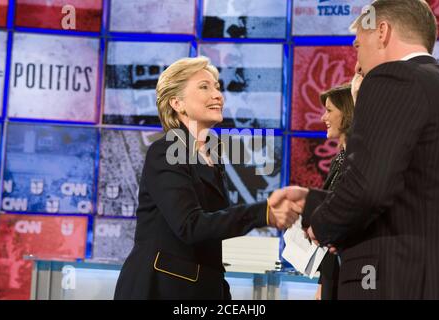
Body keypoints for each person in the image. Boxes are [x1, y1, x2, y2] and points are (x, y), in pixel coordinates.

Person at [292, 0, 439, 299]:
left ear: (382, 32)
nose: (357, 63)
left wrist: (322, 226)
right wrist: (314, 202)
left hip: (391, 280)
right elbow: (410, 193)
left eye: (358, 45)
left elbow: (369, 189)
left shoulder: (391, 79)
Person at [114, 56, 300, 300]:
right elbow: (190, 225)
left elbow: (211, 233)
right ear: (177, 103)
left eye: (218, 87)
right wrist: (262, 213)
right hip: (160, 288)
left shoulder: (211, 153)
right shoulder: (167, 150)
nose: (218, 95)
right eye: (205, 87)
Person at [313, 83, 356, 300]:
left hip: (351, 266)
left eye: (329, 110)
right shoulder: (339, 159)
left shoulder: (358, 161)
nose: (323, 117)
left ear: (347, 112)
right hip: (331, 266)